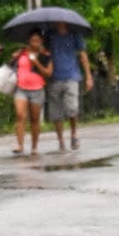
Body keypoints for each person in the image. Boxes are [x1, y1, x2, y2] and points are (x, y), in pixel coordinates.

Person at [44, 19, 87, 150]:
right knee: (56, 111)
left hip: (72, 75)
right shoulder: (49, 35)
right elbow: (44, 53)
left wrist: (88, 76)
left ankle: (74, 134)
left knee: (72, 108)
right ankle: (61, 140)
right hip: (54, 77)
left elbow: (83, 55)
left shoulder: (75, 35)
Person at [11, 31, 51, 155]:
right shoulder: (22, 52)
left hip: (37, 89)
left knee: (34, 119)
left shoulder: (45, 55)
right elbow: (12, 65)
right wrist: (14, 57)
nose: (35, 42)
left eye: (38, 40)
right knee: (20, 115)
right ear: (29, 41)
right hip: (21, 88)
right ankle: (20, 145)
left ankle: (34, 146)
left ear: (41, 41)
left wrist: (36, 63)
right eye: (33, 40)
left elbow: (48, 73)